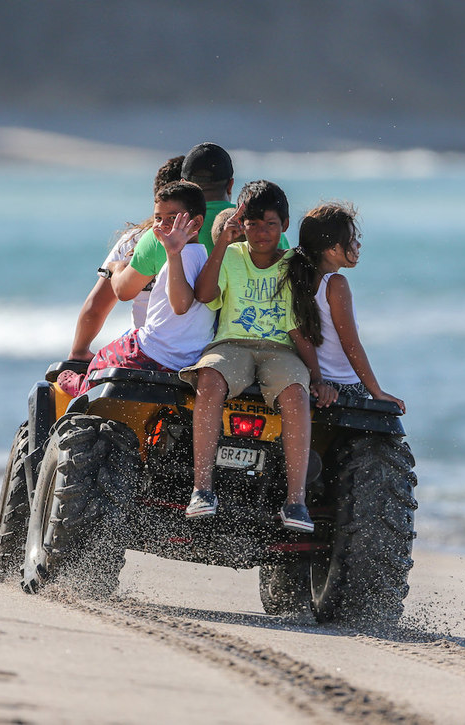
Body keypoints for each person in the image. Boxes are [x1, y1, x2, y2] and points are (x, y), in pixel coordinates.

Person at [180, 180, 335, 533]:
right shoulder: (231, 256)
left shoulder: (294, 263)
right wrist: (222, 241)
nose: (261, 232)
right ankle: (202, 489)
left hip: (279, 349)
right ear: (240, 224)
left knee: (296, 393)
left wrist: (319, 377)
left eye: (270, 224)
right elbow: (204, 294)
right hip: (232, 343)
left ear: (284, 224)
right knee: (209, 377)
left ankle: (295, 500)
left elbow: (298, 328)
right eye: (252, 223)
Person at [56, 181, 215, 397]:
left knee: (103, 357)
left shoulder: (178, 257)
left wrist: (172, 253)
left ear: (196, 223)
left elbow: (180, 305)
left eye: (172, 218)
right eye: (158, 218)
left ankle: (82, 387)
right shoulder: (201, 254)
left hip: (153, 352)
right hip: (187, 357)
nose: (162, 225)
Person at [110, 142, 289, 303]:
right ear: (230, 185)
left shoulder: (165, 233)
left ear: (183, 185)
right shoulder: (262, 228)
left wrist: (117, 268)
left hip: (188, 336)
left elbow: (124, 291)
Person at [282, 202, 406, 413]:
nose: (358, 245)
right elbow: (350, 344)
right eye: (351, 240)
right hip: (346, 387)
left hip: (317, 383)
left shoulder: (298, 279)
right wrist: (377, 392)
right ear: (332, 249)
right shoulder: (335, 284)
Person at [67, 155, 184, 361]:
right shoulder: (220, 237)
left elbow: (96, 307)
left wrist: (79, 352)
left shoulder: (135, 239)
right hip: (199, 351)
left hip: (146, 350)